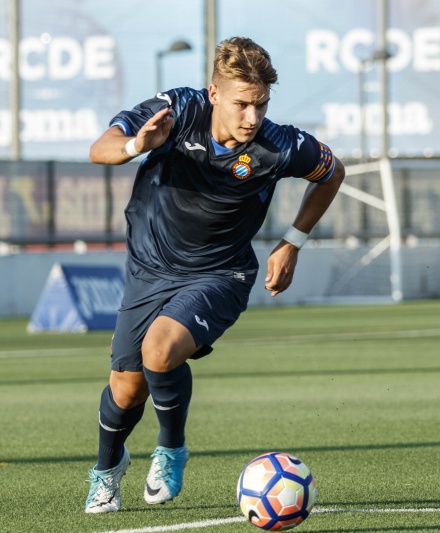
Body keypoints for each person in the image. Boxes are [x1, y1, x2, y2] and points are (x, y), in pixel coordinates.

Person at [84, 37, 346, 513]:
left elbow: (332, 173)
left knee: (158, 352)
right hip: (150, 268)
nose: (252, 117)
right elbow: (99, 148)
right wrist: (134, 146)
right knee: (126, 386)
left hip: (220, 273)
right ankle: (106, 469)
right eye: (242, 104)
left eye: (260, 105)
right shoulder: (177, 110)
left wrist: (293, 242)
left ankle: (170, 449)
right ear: (214, 94)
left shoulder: (280, 144)